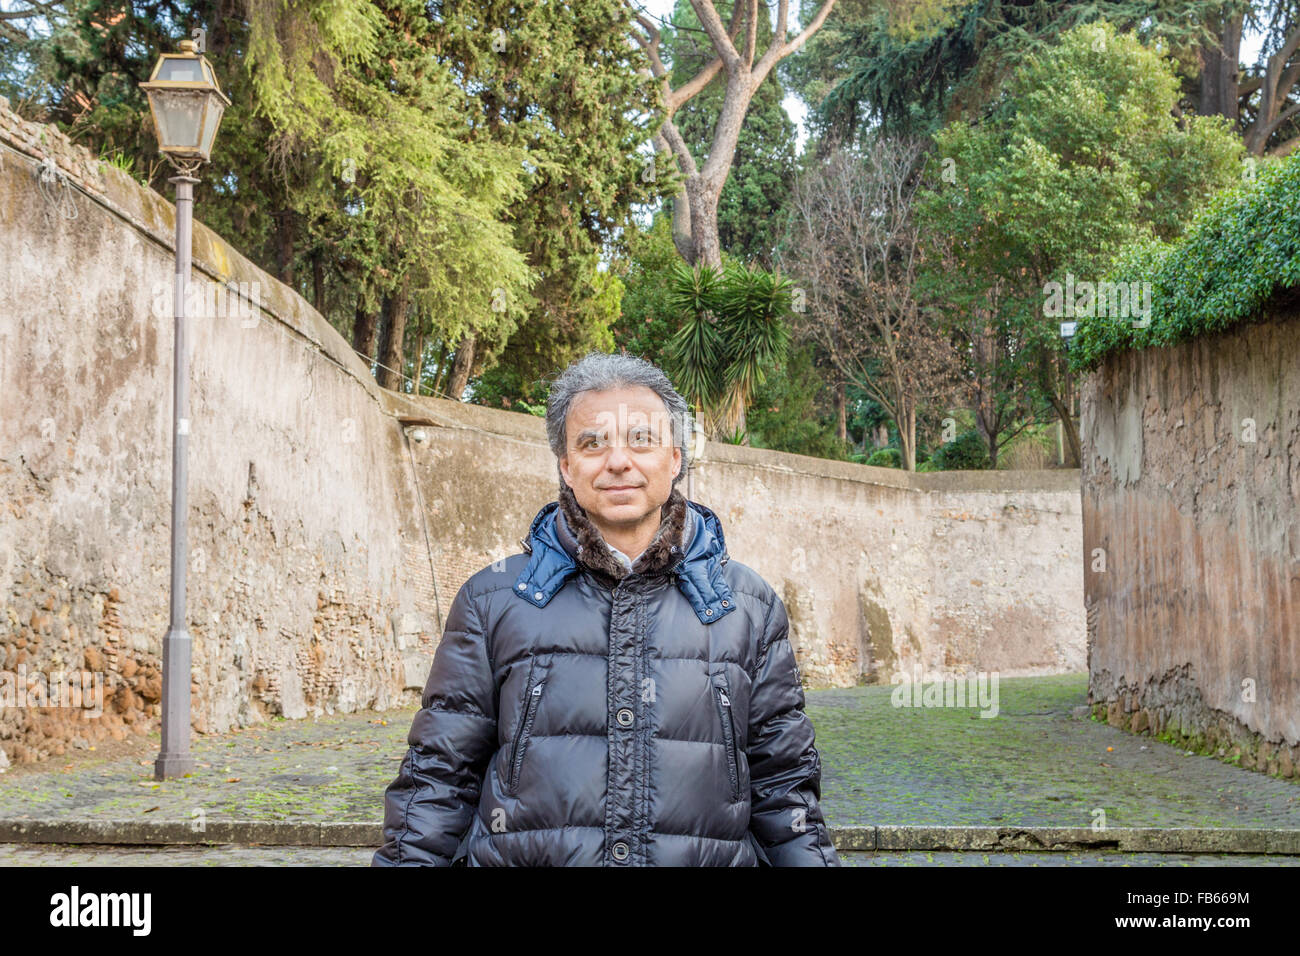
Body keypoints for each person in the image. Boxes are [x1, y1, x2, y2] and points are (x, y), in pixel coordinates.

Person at [372, 351, 839, 866]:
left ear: (676, 458)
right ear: (567, 467)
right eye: (592, 443)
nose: (618, 461)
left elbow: (785, 787)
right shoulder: (493, 600)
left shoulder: (747, 607)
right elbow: (438, 777)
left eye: (642, 439)